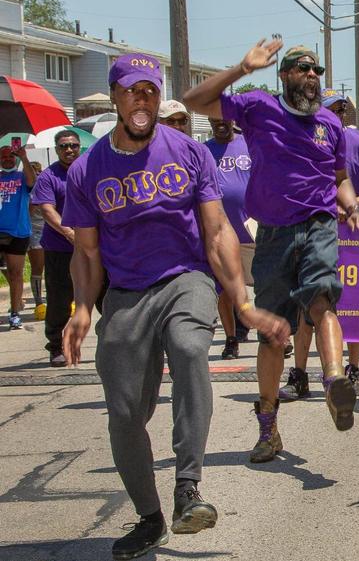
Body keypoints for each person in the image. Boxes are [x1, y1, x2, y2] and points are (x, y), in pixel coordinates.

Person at [61, 53, 289, 560]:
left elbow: (216, 231)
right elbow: (88, 251)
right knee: (124, 414)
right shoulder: (88, 169)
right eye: (130, 90)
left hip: (185, 279)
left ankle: (188, 488)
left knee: (189, 349)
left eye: (148, 91)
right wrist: (80, 309)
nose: (139, 99)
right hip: (125, 294)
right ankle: (149, 517)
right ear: (116, 96)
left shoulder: (188, 152)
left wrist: (243, 302)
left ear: (156, 97)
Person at [182, 41, 359, 463]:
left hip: (320, 224)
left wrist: (352, 204)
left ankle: (335, 383)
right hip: (273, 236)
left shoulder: (330, 125)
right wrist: (242, 67)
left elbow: (340, 178)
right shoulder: (257, 107)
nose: (312, 76)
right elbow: (195, 100)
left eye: (317, 70)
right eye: (303, 68)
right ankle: (268, 429)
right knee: (273, 335)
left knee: (323, 300)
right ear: (283, 75)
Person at [281, 92, 359, 400]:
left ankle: (353, 371)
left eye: (342, 110)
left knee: (351, 307)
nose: (338, 115)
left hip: (353, 236)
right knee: (307, 309)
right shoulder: (301, 142)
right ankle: (299, 375)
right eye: (332, 109)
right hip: (311, 232)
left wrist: (353, 206)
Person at [31, 129, 83, 366]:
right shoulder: (48, 177)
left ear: (79, 146)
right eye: (63, 146)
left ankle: (116, 343)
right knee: (60, 300)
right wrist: (69, 233)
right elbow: (46, 209)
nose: (69, 150)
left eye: (73, 145)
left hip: (93, 247)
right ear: (56, 149)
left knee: (107, 296)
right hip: (59, 249)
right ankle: (55, 346)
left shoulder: (88, 171)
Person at [204, 117, 255, 359]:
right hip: (221, 233)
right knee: (224, 290)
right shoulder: (203, 150)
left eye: (223, 116)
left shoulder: (251, 143)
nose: (219, 122)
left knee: (267, 286)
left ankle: (276, 337)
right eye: (214, 118)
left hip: (254, 230)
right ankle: (231, 339)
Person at [0, 141, 36, 330]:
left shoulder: (22, 176)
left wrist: (24, 156)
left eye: (10, 156)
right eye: (3, 157)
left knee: (15, 274)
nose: (7, 160)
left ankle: (15, 313)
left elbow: (33, 183)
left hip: (18, 231)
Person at [27, 162, 46, 321]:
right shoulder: (32, 187)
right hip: (35, 229)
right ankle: (39, 302)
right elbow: (30, 209)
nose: (38, 175)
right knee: (37, 267)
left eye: (40, 172)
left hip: (52, 228)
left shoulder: (46, 182)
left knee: (58, 266)